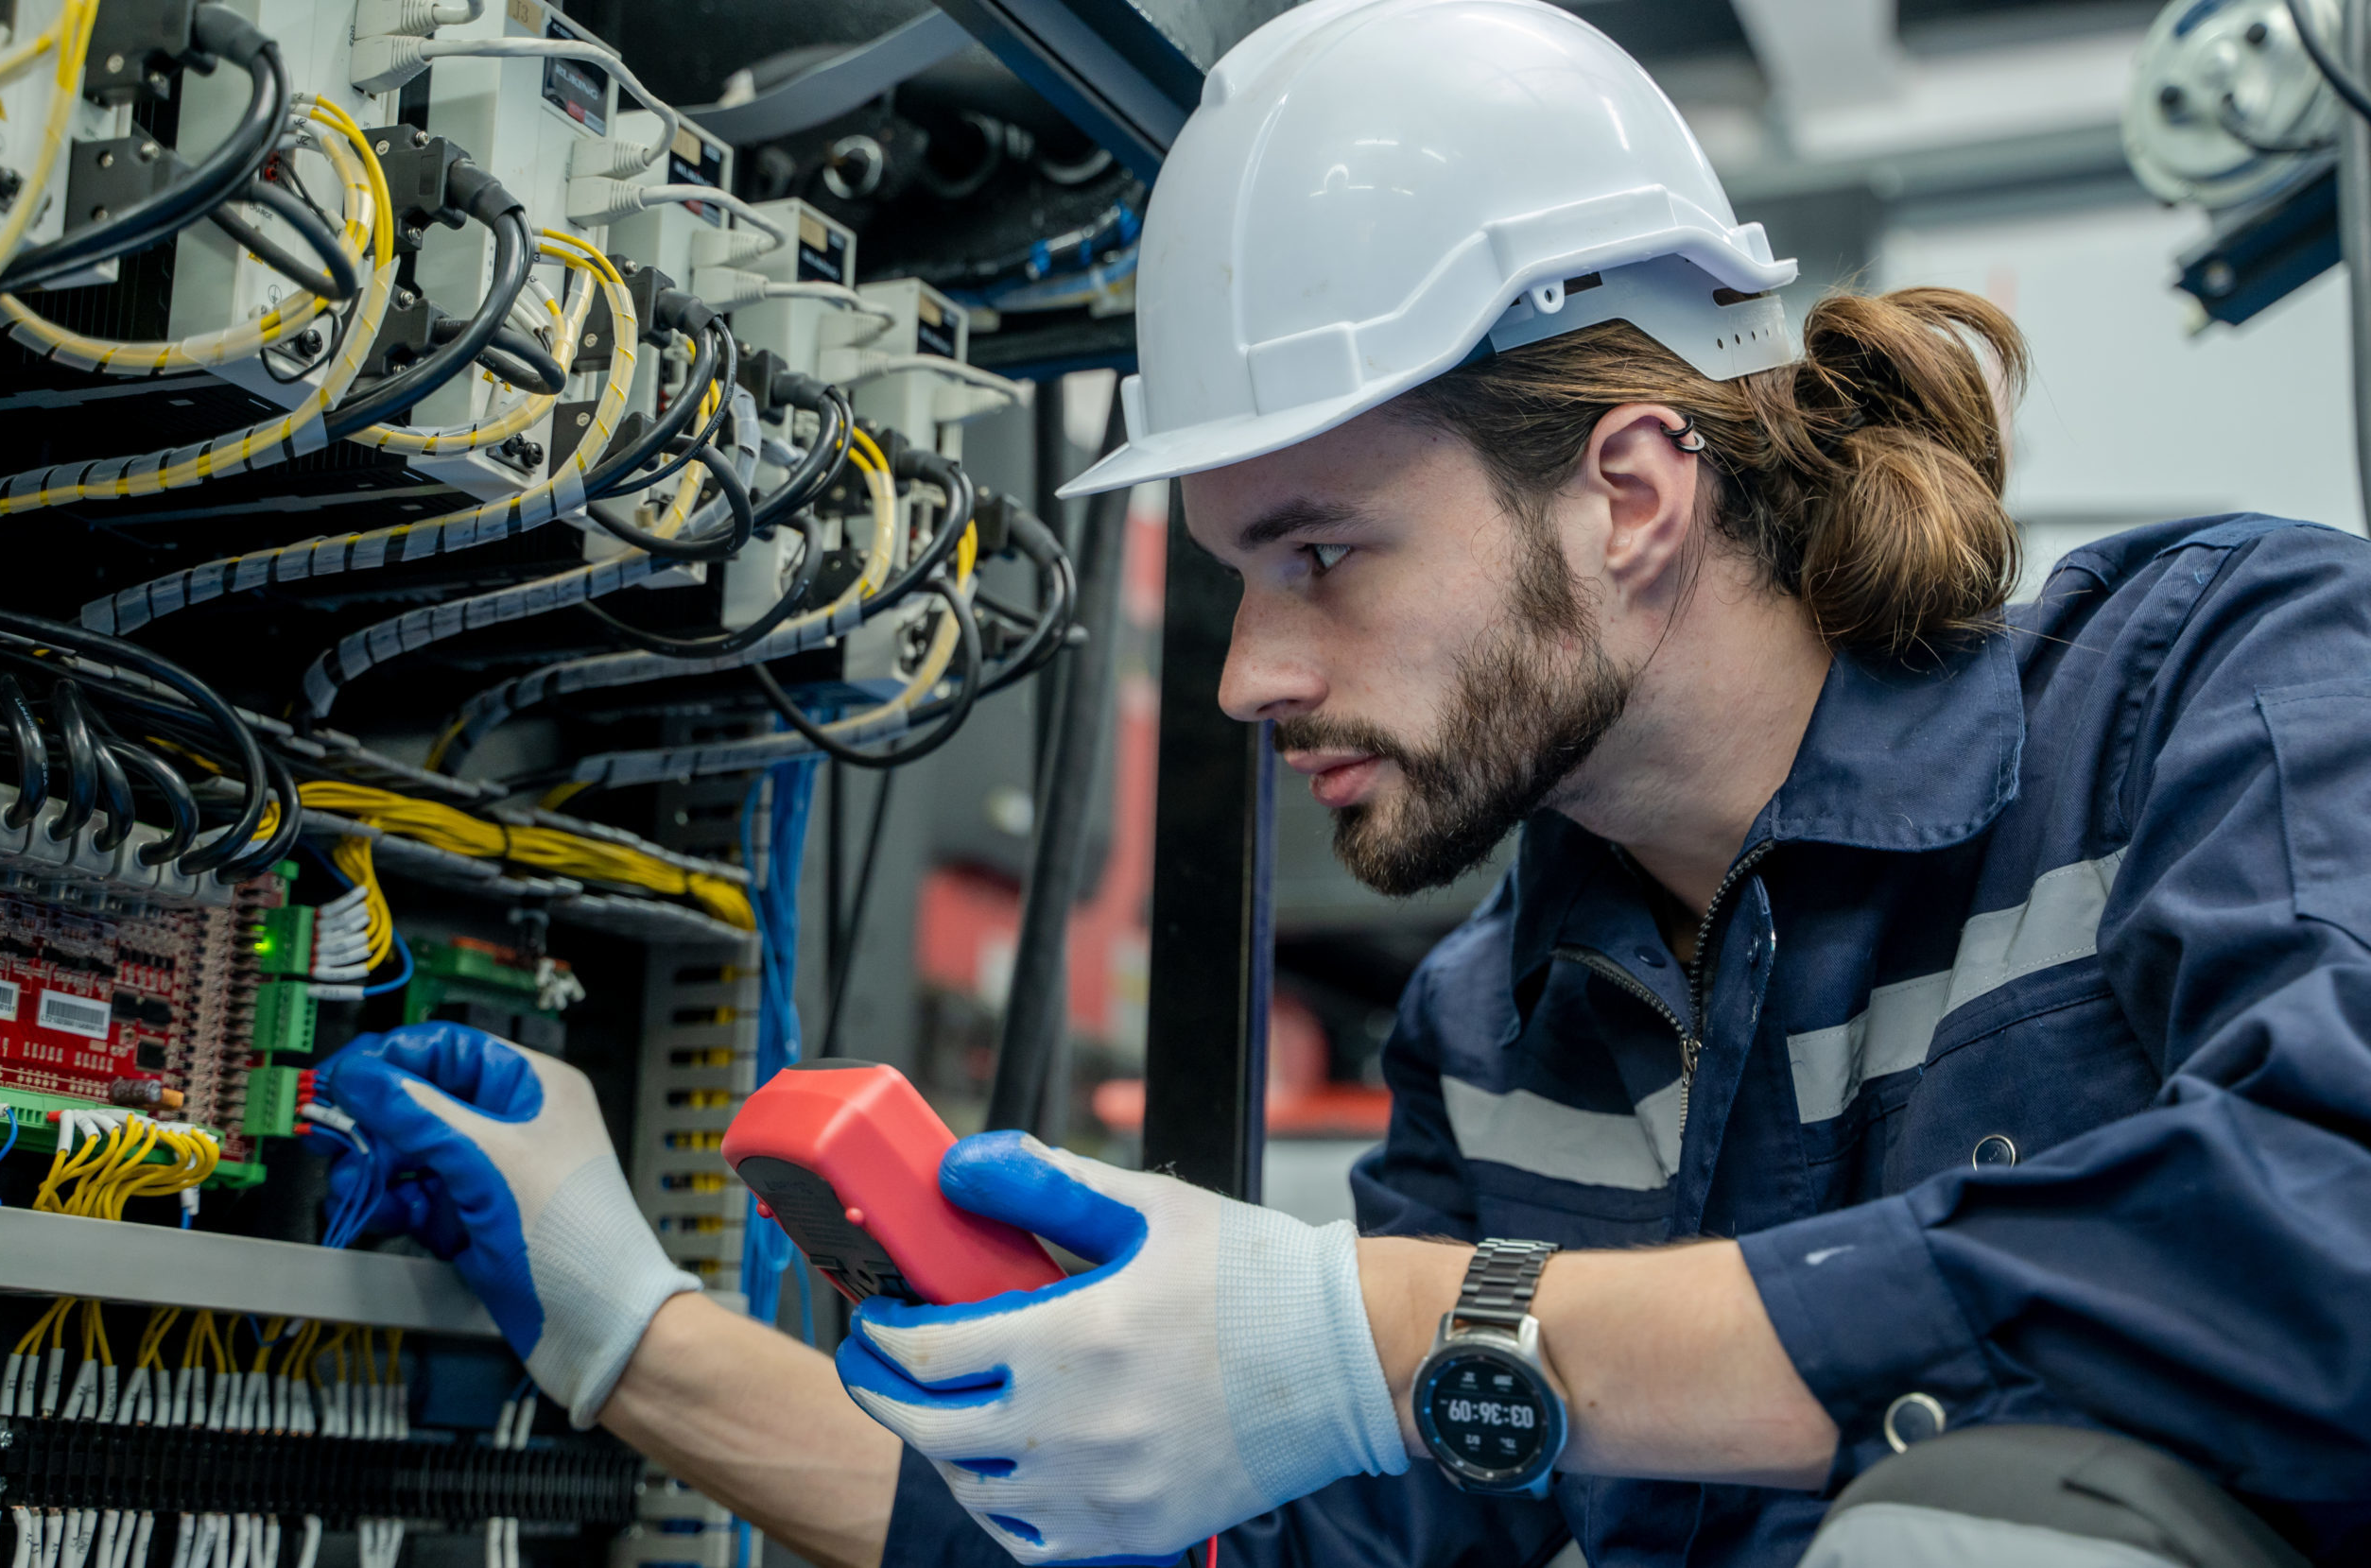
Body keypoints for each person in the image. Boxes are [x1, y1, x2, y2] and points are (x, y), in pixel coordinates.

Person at [313, 1, 2371, 1564]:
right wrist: (625, 1325)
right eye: (1229, 575)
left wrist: (1389, 1324)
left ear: (1632, 491)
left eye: (1318, 552)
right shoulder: (1500, 1022)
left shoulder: (2213, 685)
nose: (1246, 673)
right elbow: (1271, 1551)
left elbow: (2313, 1250)